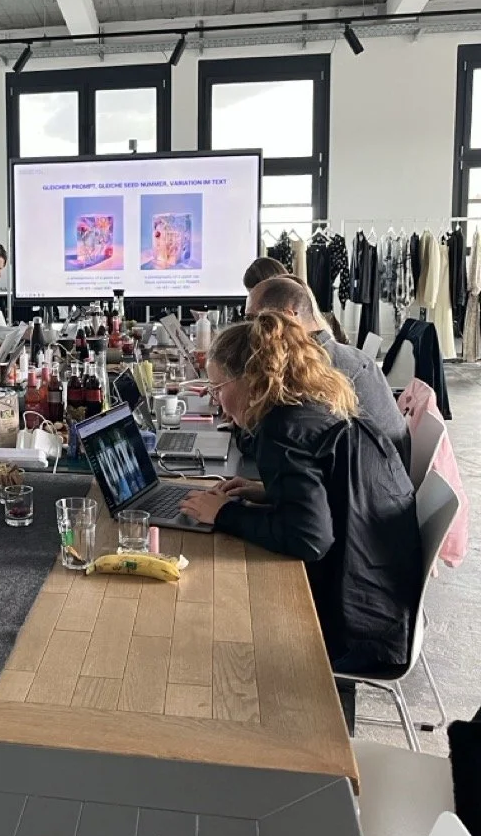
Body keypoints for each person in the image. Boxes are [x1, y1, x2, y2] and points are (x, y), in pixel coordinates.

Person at [179, 314, 422, 672]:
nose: (216, 400)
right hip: (385, 598)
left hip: (357, 627)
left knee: (216, 611)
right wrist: (267, 492)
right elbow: (331, 487)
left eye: (217, 388)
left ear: (250, 380)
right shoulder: (310, 398)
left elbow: (309, 538)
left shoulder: (281, 428)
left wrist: (224, 514)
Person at [246, 275, 410, 466]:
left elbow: (280, 439)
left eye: (254, 319)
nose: (249, 330)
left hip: (371, 485)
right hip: (376, 478)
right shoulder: (341, 353)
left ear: (288, 317)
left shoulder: (313, 367)